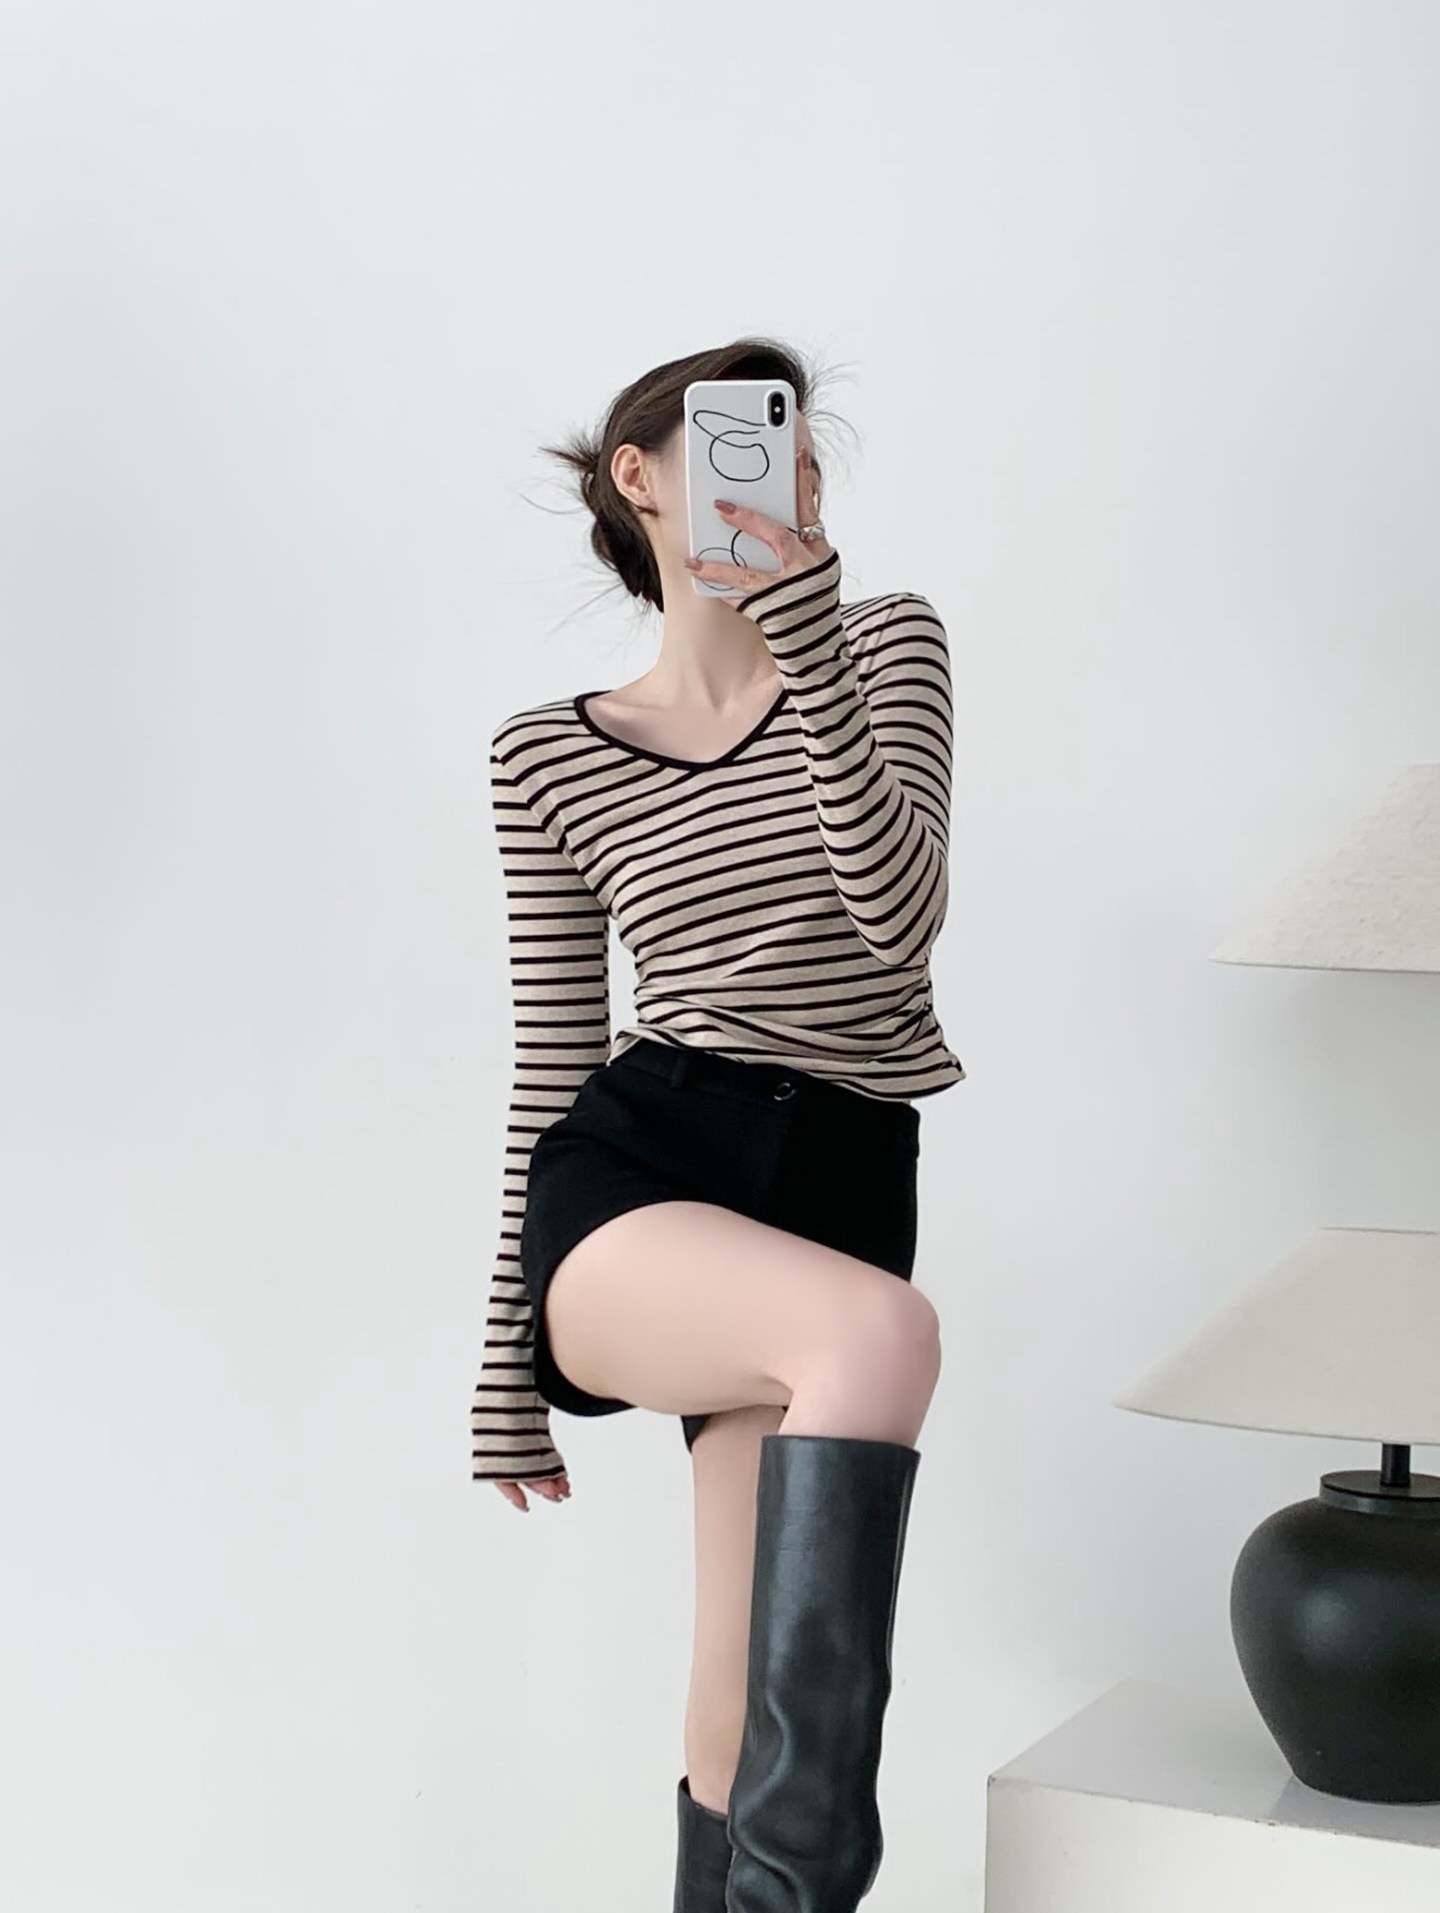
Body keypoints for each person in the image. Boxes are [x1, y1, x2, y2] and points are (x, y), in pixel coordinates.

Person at [471, 338, 966, 1911]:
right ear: (640, 477)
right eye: (753, 449)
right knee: (881, 1334)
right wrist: (504, 1361)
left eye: (807, 463)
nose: (790, 483)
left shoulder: (883, 646)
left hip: (838, 1178)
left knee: (737, 1699)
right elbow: (553, 1059)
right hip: (644, 1170)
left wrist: (808, 646)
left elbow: (897, 926)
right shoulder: (547, 754)